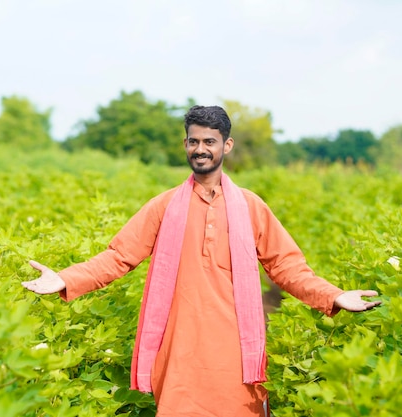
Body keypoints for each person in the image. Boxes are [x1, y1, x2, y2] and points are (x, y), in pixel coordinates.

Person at [22, 105, 381, 417]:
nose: (200, 149)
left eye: (209, 141)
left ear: (227, 145)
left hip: (235, 353)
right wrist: (66, 279)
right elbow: (119, 256)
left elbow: (287, 267)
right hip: (179, 350)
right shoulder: (163, 206)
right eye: (194, 141)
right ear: (185, 145)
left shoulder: (252, 207)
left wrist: (334, 295)